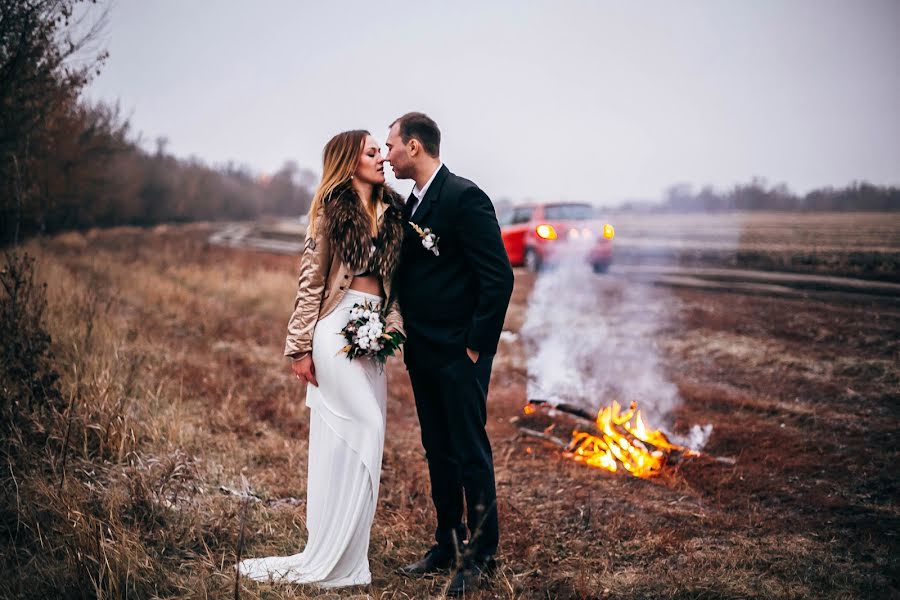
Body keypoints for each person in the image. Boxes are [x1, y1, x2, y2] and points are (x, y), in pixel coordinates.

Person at [237, 130, 406, 588]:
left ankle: (351, 557)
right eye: (372, 152)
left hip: (375, 338)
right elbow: (311, 281)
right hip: (335, 331)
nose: (382, 158)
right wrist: (299, 347)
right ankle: (330, 555)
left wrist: (392, 330)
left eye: (381, 151)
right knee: (366, 427)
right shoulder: (332, 210)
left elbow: (398, 288)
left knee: (360, 440)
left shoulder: (395, 214)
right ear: (350, 161)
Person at [386, 112, 514, 596]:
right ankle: (447, 542)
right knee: (436, 448)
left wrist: (476, 344)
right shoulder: (409, 203)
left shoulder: (464, 197)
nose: (388, 154)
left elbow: (498, 277)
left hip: (462, 354)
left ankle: (480, 554)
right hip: (422, 350)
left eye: (392, 145)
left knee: (468, 451)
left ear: (415, 146)